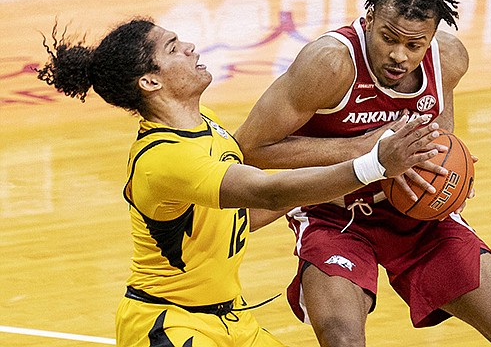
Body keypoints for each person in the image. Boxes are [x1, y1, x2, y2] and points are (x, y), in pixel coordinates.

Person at [36, 18, 443, 347]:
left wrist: (340, 189)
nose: (191, 47)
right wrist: (373, 164)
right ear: (150, 82)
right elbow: (267, 189)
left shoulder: (204, 123)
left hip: (231, 319)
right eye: (173, 48)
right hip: (170, 325)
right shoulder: (164, 158)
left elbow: (240, 216)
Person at [235, 0, 491, 347]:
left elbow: (440, 137)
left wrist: (450, 172)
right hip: (333, 213)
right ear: (368, 22)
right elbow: (250, 148)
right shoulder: (331, 63)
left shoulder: (447, 59)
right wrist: (369, 150)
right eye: (388, 38)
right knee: (342, 340)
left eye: (414, 45)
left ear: (431, 40)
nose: (399, 55)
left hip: (416, 215)